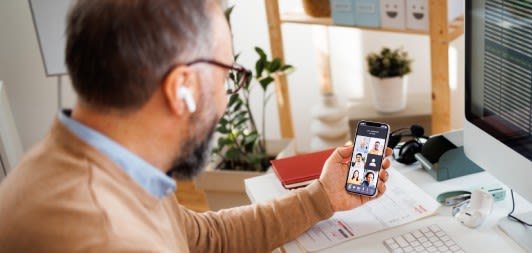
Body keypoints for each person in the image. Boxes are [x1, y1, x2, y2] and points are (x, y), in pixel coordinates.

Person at [0, 1, 393, 252]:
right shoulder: (104, 235)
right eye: (227, 74)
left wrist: (320, 198)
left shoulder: (107, 166)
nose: (225, 99)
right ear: (182, 89)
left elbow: (203, 240)